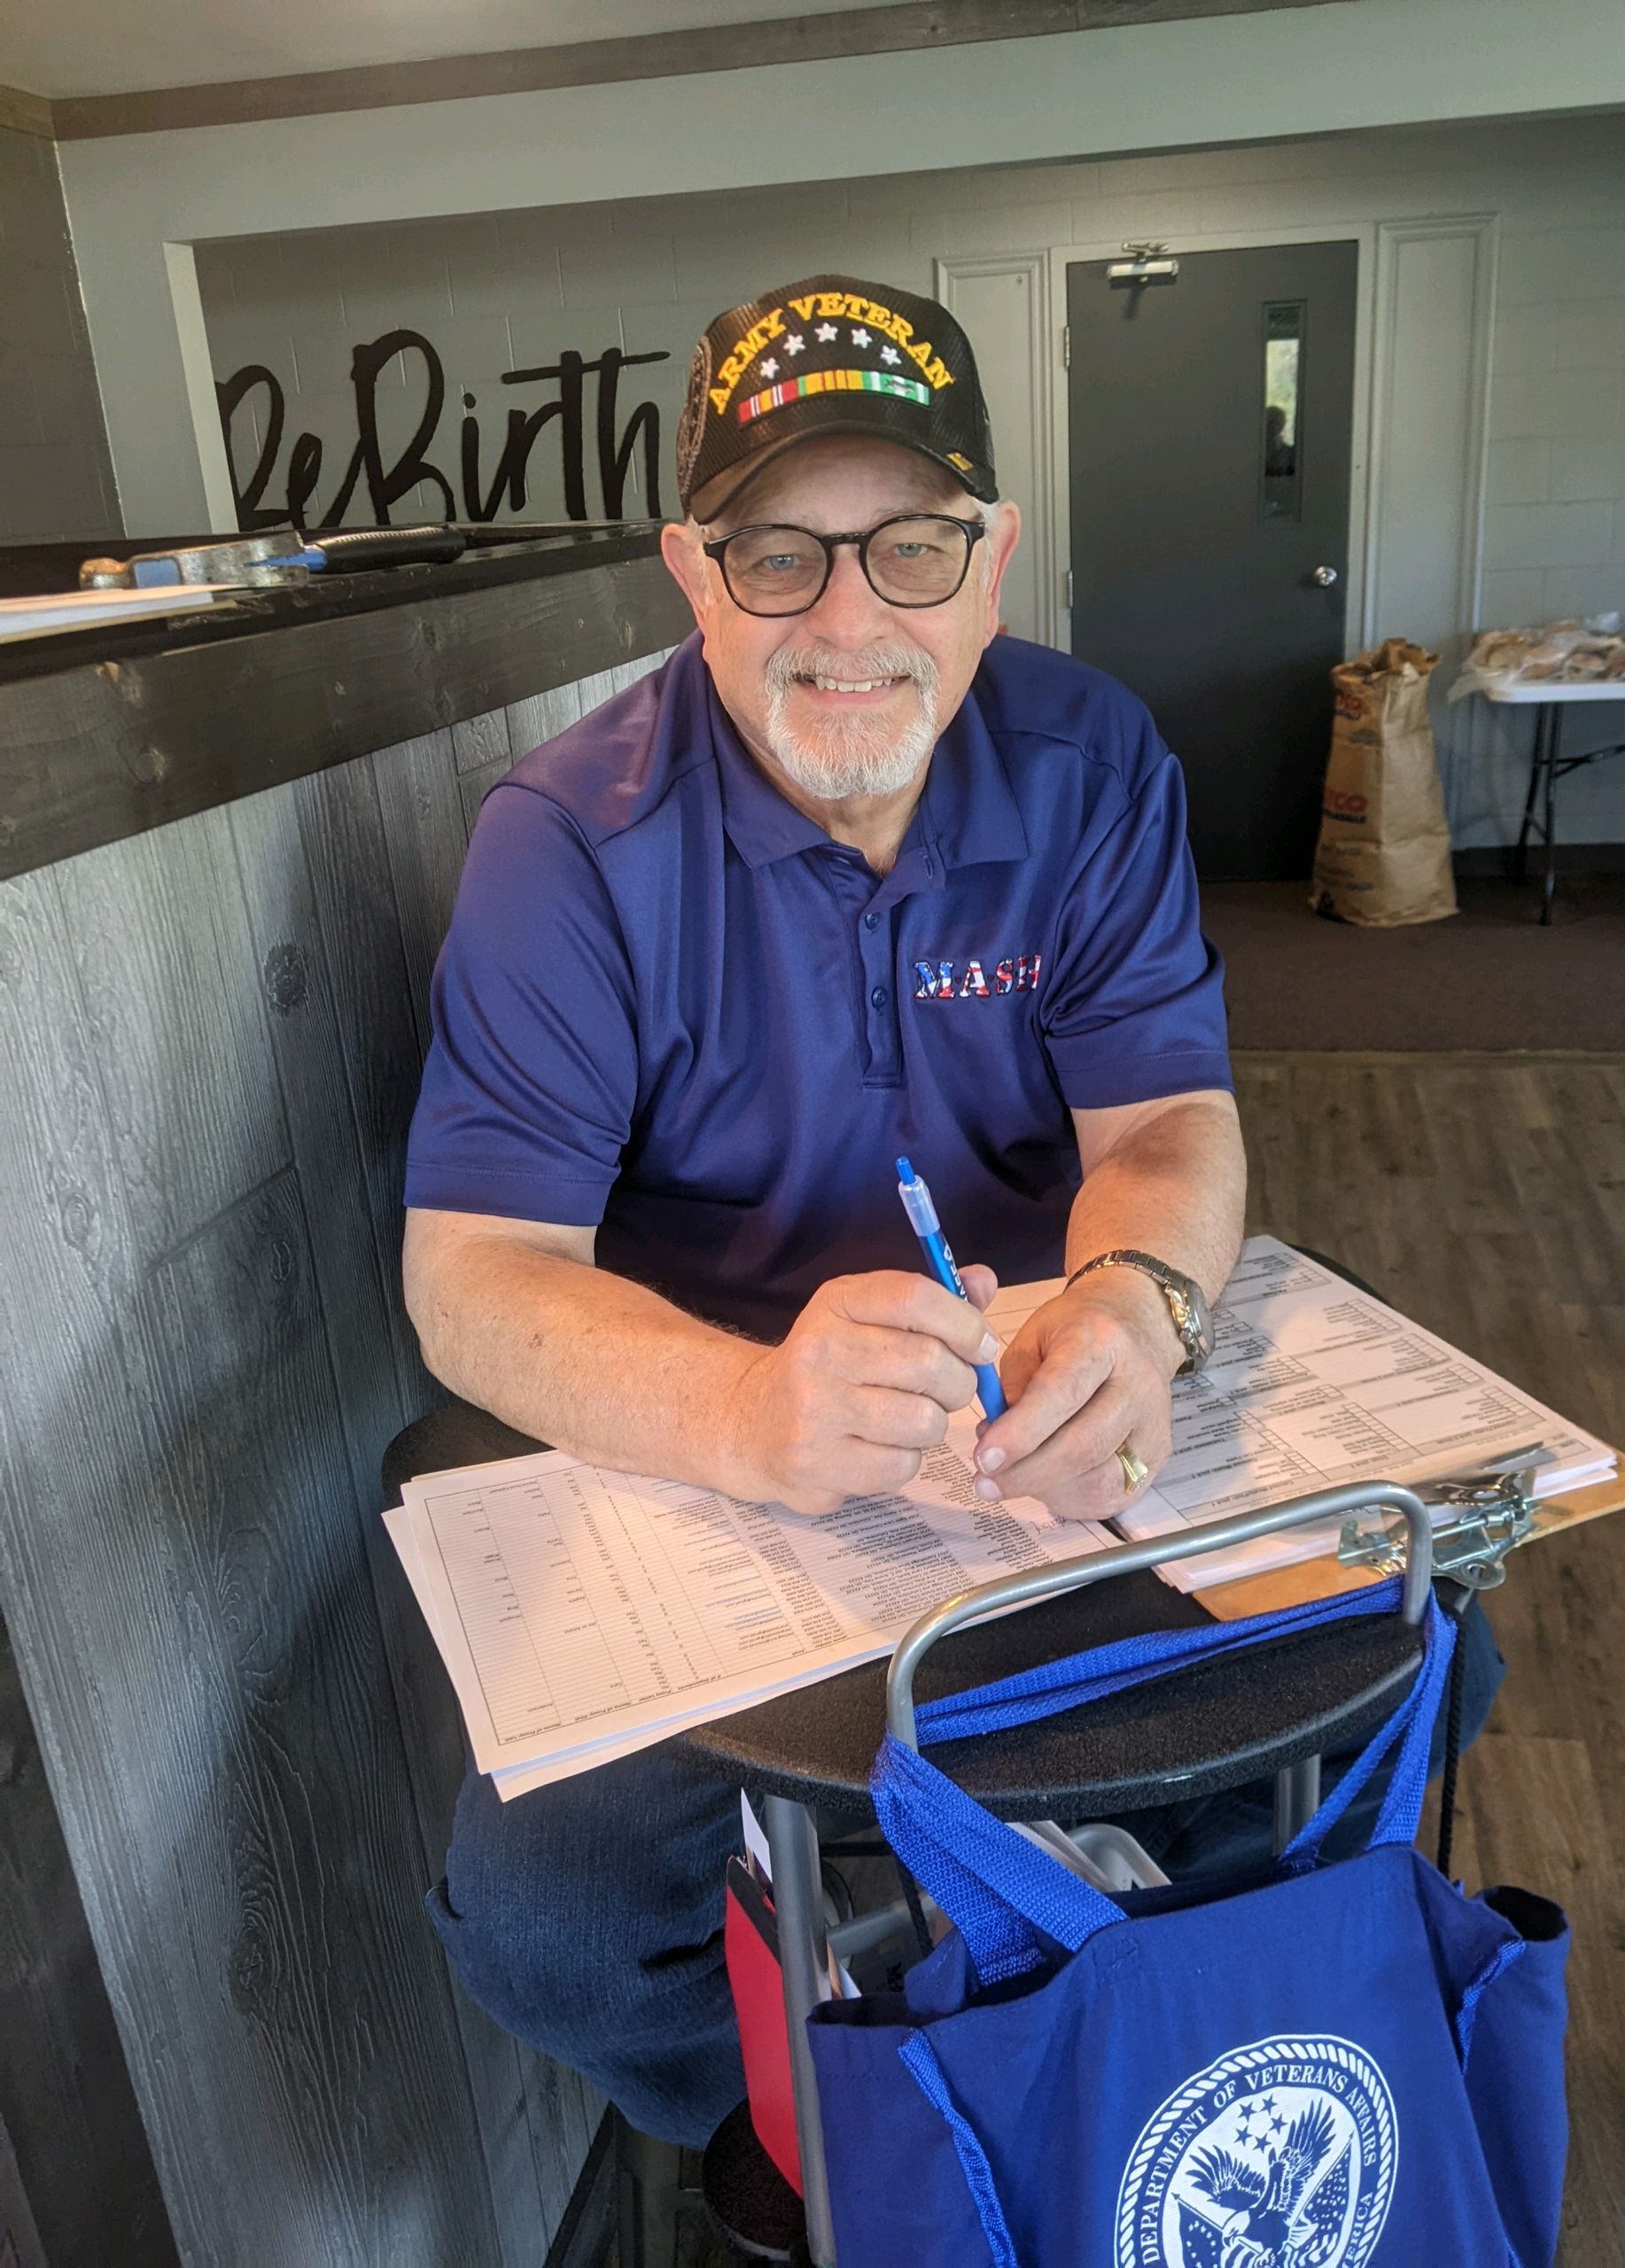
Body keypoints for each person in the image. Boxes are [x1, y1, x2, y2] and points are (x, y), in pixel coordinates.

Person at [399, 274, 1492, 2148]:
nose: (849, 622)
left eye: (909, 548)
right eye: (778, 556)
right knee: (549, 1927)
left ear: (989, 561)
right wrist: (745, 1408)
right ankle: (816, 2149)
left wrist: (1138, 1295)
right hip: (713, 1477)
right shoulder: (565, 841)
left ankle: (1133, 2083)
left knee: (1426, 1670)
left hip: (1056, 1449)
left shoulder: (1090, 762)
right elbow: (473, 1275)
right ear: (689, 567)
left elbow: (1164, 1119)